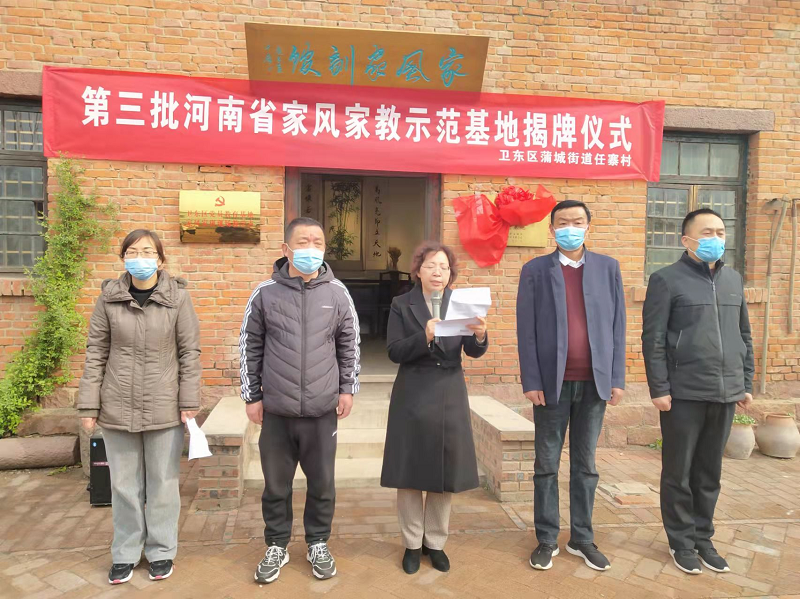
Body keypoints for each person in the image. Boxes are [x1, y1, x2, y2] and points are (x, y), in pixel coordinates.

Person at [240, 216, 360, 584]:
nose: (311, 249)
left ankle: (317, 542)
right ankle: (276, 545)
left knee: (322, 483)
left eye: (317, 242)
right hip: (277, 410)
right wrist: (252, 395)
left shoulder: (337, 293)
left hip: (322, 411)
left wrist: (347, 388)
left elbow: (349, 343)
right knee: (276, 485)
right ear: (286, 249)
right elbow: (250, 345)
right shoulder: (265, 293)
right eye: (303, 242)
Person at [77, 229, 201, 585]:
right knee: (124, 486)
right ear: (123, 258)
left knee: (163, 484)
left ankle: (161, 551)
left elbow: (189, 352)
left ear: (160, 259)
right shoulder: (108, 299)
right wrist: (89, 405)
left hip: (164, 406)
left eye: (147, 251)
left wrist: (189, 401)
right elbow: (96, 352)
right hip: (117, 405)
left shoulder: (178, 298)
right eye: (132, 251)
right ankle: (126, 552)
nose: (140, 257)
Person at [642, 208, 754, 576]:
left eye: (720, 232)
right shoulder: (666, 280)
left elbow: (743, 334)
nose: (715, 238)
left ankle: (703, 538)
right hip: (683, 392)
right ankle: (681, 541)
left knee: (709, 472)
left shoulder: (733, 279)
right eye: (707, 232)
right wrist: (659, 387)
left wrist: (745, 382)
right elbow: (653, 339)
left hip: (724, 391)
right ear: (686, 239)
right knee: (679, 472)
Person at [516, 200, 626, 572]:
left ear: (588, 226)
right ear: (551, 230)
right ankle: (547, 538)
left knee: (586, 465)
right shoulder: (535, 271)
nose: (570, 228)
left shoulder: (608, 268)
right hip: (551, 384)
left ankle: (581, 538)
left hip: (594, 383)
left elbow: (618, 326)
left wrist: (616, 377)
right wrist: (531, 380)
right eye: (562, 223)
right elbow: (526, 330)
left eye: (577, 222)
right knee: (546, 464)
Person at [380, 241, 489, 575]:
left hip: (449, 393)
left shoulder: (461, 303)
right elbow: (394, 351)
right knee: (410, 472)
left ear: (450, 273)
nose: (437, 272)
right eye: (430, 265)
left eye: (443, 267)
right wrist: (424, 336)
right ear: (418, 270)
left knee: (444, 470)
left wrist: (480, 336)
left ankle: (436, 543)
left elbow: (472, 351)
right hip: (412, 393)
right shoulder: (402, 304)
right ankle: (412, 544)